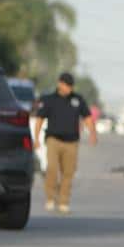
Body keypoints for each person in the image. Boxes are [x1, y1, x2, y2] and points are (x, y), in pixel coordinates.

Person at [33, 72, 97, 215]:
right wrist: (36, 139)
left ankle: (63, 202)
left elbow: (87, 117)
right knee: (52, 169)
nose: (69, 88)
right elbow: (39, 119)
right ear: (60, 84)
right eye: (66, 85)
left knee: (68, 173)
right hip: (53, 140)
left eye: (71, 86)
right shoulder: (49, 99)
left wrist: (93, 133)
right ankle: (50, 198)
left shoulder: (77, 100)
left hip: (71, 142)